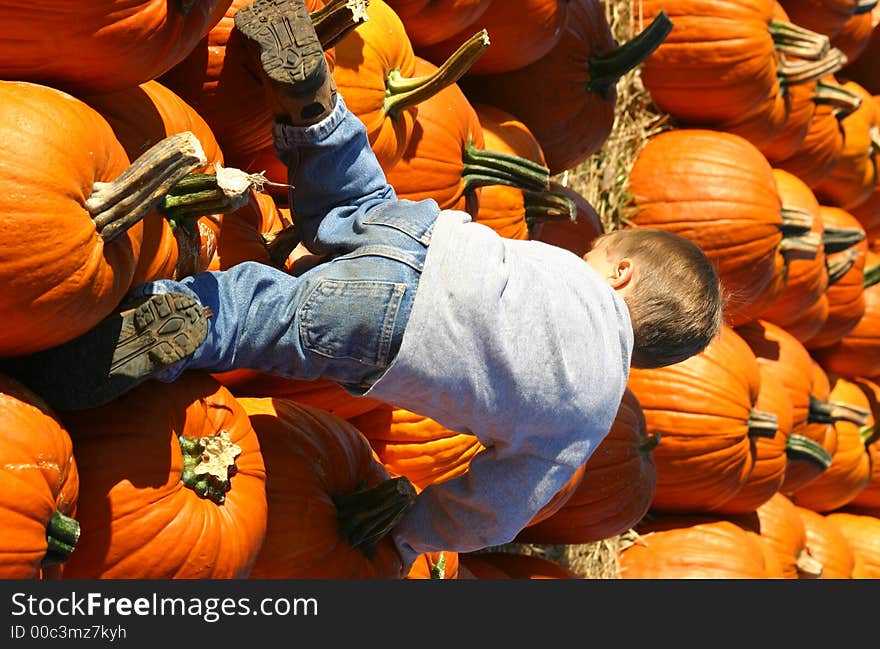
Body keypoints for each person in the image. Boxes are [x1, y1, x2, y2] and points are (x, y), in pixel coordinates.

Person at [4, 0, 725, 575]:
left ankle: (314, 104)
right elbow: (497, 511)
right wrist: (414, 531)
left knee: (352, 194)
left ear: (621, 271)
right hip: (386, 331)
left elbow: (496, 263)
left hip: (424, 237)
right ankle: (187, 320)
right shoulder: (585, 420)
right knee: (265, 315)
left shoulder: (569, 269)